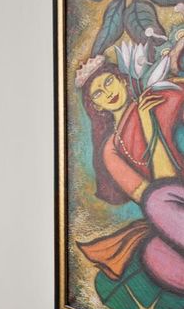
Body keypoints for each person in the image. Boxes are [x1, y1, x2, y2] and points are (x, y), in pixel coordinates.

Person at [75, 58, 184, 293]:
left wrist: (148, 120)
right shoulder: (110, 150)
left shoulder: (156, 98)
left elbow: (167, 187)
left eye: (109, 81)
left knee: (157, 200)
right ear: (96, 106)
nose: (108, 93)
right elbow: (157, 194)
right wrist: (147, 124)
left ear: (122, 80)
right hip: (174, 210)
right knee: (153, 253)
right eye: (98, 93)